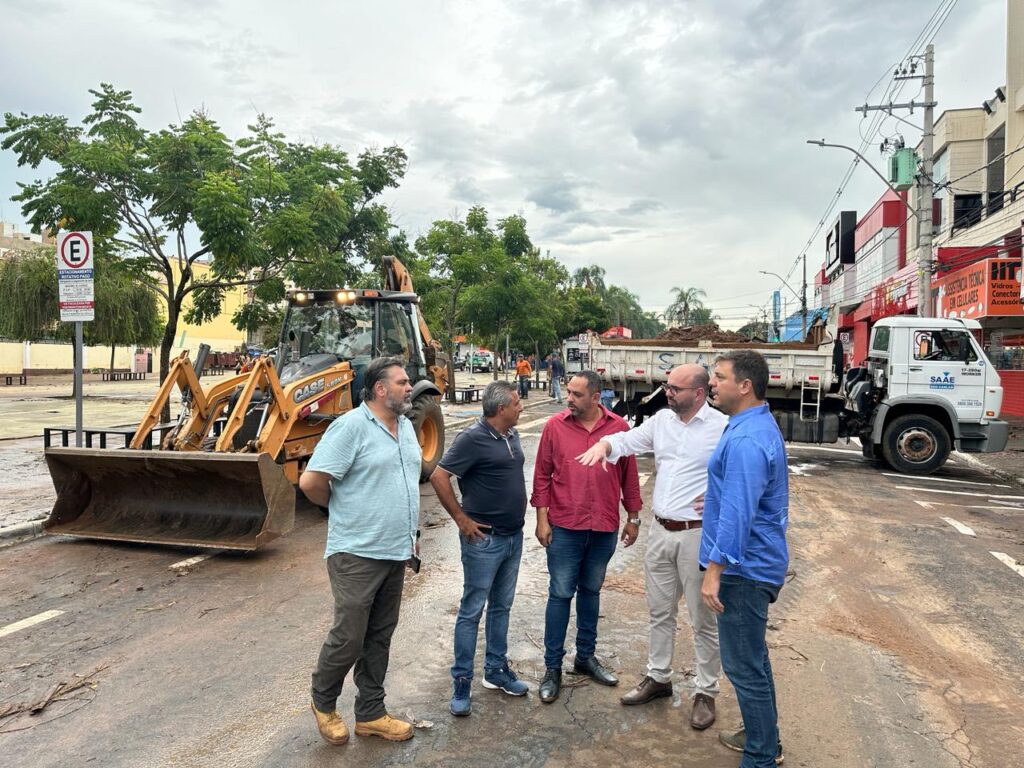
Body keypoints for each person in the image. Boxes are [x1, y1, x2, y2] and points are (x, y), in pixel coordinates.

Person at [577, 364, 727, 730]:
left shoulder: (722, 428)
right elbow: (629, 440)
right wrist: (605, 443)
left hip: (698, 535)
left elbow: (740, 471)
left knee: (702, 619)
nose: (668, 392)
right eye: (668, 386)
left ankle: (706, 692)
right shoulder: (661, 422)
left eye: (675, 388)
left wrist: (721, 495)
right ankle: (659, 677)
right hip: (660, 532)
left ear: (699, 393)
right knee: (660, 612)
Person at [300, 356, 420, 747]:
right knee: (350, 635)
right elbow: (312, 481)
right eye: (402, 382)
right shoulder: (350, 426)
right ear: (381, 389)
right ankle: (323, 701)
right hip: (356, 551)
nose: (409, 387)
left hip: (395, 549)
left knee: (379, 636)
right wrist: (338, 510)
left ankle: (370, 713)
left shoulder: (405, 426)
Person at [531, 370, 642, 703]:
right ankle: (552, 667)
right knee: (561, 593)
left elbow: (629, 476)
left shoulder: (619, 430)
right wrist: (542, 520)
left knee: (591, 591)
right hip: (565, 526)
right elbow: (542, 476)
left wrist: (633, 517)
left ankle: (585, 657)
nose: (569, 399)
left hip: (604, 526)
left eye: (577, 394)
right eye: (568, 392)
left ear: (596, 398)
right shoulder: (555, 427)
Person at [700, 350, 789, 768]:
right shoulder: (751, 425)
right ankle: (763, 737)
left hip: (743, 569)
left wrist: (714, 571)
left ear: (745, 385)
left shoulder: (746, 438)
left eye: (718, 377)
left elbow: (739, 512)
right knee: (755, 658)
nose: (711, 384)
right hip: (755, 562)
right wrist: (715, 497)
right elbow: (738, 494)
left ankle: (760, 757)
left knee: (743, 667)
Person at [430, 380, 529, 716]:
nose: (521, 407)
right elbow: (439, 476)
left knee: (502, 607)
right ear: (501, 408)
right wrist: (461, 518)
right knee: (472, 611)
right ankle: (461, 682)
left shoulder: (511, 435)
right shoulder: (472, 438)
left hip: (514, 537)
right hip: (484, 541)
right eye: (516, 403)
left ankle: (496, 671)